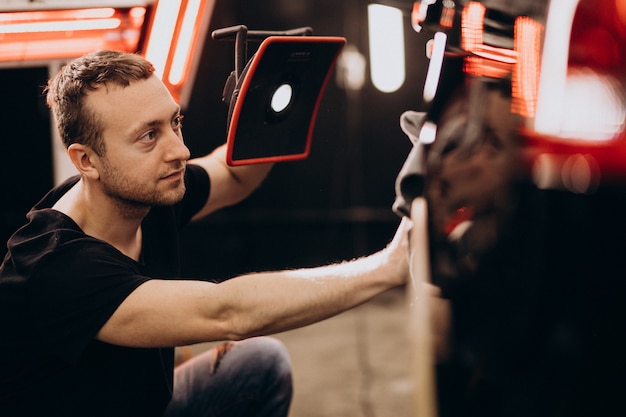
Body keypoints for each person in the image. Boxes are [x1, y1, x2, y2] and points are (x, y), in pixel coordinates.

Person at [0, 50, 411, 417]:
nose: (178, 150)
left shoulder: (140, 189)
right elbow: (226, 312)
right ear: (86, 160)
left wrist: (279, 93)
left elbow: (232, 173)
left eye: (174, 123)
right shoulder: (57, 268)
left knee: (257, 364)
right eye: (148, 135)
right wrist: (388, 266)